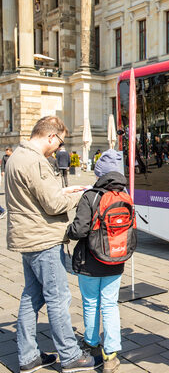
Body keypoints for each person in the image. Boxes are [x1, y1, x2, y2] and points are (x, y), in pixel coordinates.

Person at [5, 116, 96, 372]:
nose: (59, 148)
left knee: (31, 297)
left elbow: (36, 197)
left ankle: (27, 356)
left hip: (26, 236)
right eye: (60, 142)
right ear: (51, 136)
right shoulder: (35, 161)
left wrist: (65, 191)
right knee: (58, 298)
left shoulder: (17, 157)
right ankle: (70, 355)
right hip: (43, 238)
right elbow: (53, 205)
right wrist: (80, 196)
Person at [66, 149, 127, 373]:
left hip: (90, 260)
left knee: (91, 302)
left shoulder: (91, 195)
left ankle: (91, 343)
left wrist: (67, 231)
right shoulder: (125, 194)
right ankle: (111, 354)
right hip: (116, 258)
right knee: (110, 304)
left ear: (99, 172)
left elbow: (79, 229)